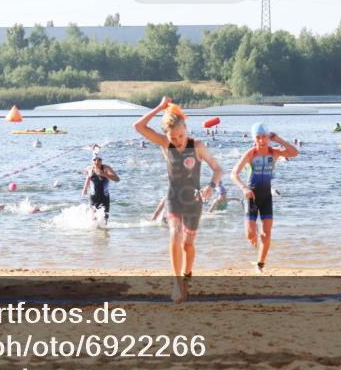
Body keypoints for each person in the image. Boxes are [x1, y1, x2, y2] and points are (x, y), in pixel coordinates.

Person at [135, 96, 223, 302]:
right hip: (174, 197)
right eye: (173, 137)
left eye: (180, 136)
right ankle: (176, 283)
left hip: (194, 201)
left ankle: (186, 276)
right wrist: (158, 107)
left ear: (186, 127)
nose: (178, 140)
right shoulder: (165, 143)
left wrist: (211, 186)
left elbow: (218, 169)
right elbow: (138, 126)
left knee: (187, 245)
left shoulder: (198, 146)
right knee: (174, 235)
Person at [231, 123, 299, 274]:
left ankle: (260, 264)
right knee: (250, 233)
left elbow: (294, 153)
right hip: (251, 196)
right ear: (254, 139)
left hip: (266, 197)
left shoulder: (274, 152)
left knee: (267, 234)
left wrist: (279, 140)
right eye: (258, 137)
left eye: (264, 137)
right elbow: (234, 173)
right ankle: (252, 233)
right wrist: (244, 188)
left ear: (268, 138)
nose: (261, 140)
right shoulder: (251, 153)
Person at [81, 155, 119, 224]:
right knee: (93, 217)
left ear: (102, 160)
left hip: (104, 196)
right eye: (94, 160)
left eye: (99, 160)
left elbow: (117, 179)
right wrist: (85, 188)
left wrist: (105, 174)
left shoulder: (106, 168)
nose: (97, 161)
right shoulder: (90, 168)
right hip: (93, 196)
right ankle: (95, 233)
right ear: (92, 160)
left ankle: (105, 233)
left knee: (105, 218)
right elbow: (88, 177)